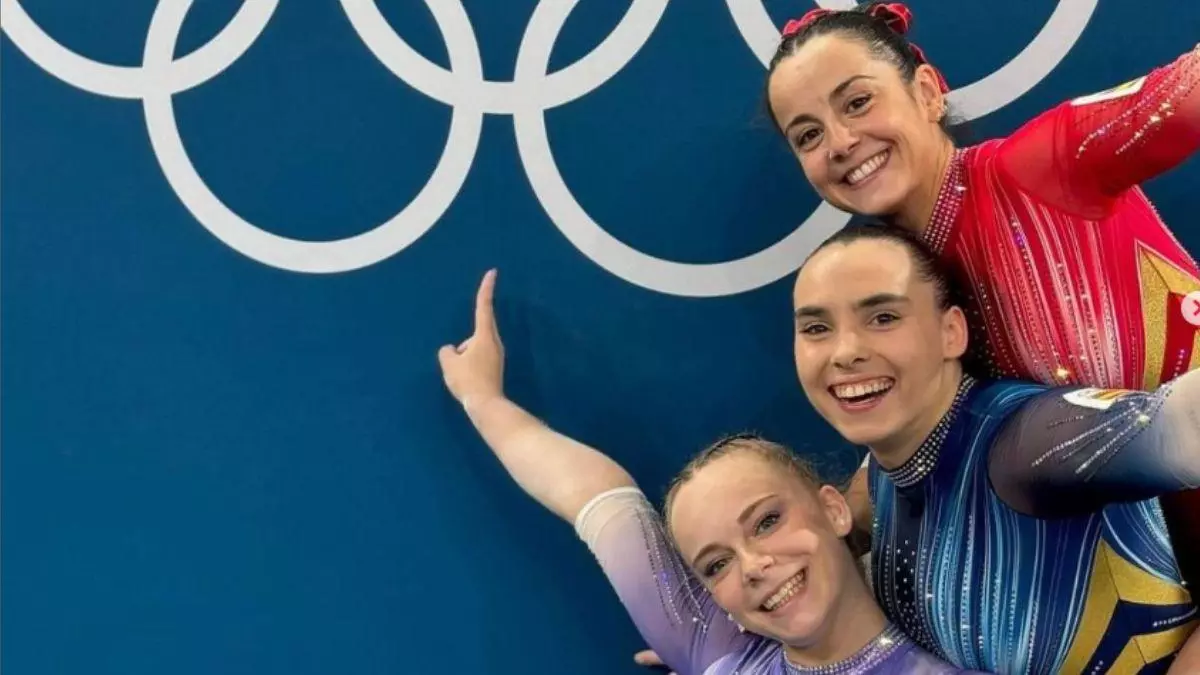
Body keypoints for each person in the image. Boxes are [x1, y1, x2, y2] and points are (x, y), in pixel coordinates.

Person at [762, 2, 1200, 589]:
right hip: (1159, 584)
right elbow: (915, 450)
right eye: (808, 135)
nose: (839, 141)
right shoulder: (889, 293)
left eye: (858, 102)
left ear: (926, 92)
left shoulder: (1043, 165)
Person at [435, 270, 983, 674]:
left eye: (767, 521)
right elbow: (597, 497)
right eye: (716, 565)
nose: (754, 566)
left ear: (834, 508)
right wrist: (481, 398)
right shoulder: (716, 652)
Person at [795, 226, 1199, 673]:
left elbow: (1181, 422)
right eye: (816, 328)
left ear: (952, 332)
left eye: (884, 318)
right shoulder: (884, 476)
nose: (845, 352)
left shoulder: (1028, 445)